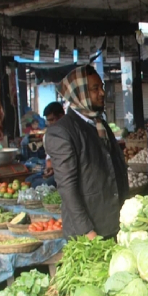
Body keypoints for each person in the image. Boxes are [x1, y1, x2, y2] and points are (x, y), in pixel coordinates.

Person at [44, 65, 128, 240]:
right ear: (78, 94)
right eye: (95, 89)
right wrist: (87, 231)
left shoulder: (100, 124)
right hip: (89, 234)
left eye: (102, 87)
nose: (102, 93)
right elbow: (67, 188)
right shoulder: (61, 132)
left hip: (112, 224)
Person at [26, 102, 64, 188]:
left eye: (52, 120)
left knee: (44, 184)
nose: (50, 123)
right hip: (55, 171)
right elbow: (49, 157)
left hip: (64, 174)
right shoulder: (48, 135)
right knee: (28, 181)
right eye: (48, 120)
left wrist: (55, 169)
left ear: (62, 116)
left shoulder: (69, 134)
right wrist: (49, 169)